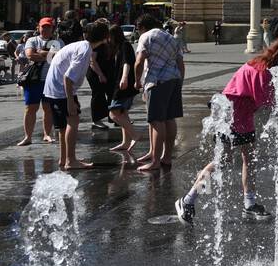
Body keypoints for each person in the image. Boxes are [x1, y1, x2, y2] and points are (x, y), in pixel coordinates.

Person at [176, 34, 278, 223]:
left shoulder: (262, 64)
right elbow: (270, 103)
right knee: (222, 161)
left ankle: (249, 204)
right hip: (230, 116)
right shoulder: (261, 70)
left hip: (243, 115)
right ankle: (187, 200)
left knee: (249, 159)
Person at [43, 20, 110, 170]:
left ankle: (64, 159)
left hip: (52, 88)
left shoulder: (80, 45)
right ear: (105, 37)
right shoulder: (85, 51)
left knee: (62, 127)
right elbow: (68, 77)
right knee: (72, 122)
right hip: (61, 89)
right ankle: (71, 160)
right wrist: (70, 101)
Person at [134, 13, 185, 172]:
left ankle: (155, 161)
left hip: (157, 82)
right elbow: (180, 63)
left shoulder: (146, 37)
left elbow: (139, 61)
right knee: (170, 119)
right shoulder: (171, 37)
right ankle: (166, 157)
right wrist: (179, 82)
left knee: (156, 120)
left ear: (142, 27)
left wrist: (137, 81)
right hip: (174, 80)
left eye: (138, 29)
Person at [17, 18, 62, 146]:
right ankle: (28, 137)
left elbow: (59, 57)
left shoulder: (58, 42)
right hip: (34, 80)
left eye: (48, 27)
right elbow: (30, 55)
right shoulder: (32, 40)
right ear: (38, 27)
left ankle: (47, 135)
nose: (45, 29)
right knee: (30, 108)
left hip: (51, 80)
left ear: (52, 28)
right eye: (43, 27)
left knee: (48, 108)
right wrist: (49, 55)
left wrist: (42, 53)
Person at [105, 24, 140, 158]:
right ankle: (125, 142)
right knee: (123, 113)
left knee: (113, 113)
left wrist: (124, 77)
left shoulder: (124, 45)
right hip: (121, 83)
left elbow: (127, 63)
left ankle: (135, 135)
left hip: (123, 85)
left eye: (109, 36)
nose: (108, 39)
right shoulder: (119, 46)